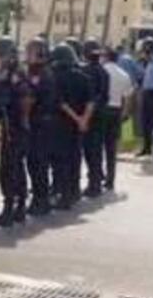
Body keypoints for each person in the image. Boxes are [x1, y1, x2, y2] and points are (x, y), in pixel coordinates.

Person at [0, 37, 32, 227]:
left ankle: (11, 208)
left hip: (14, 128)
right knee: (16, 168)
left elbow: (25, 101)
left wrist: (22, 121)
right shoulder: (8, 74)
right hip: (12, 127)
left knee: (9, 169)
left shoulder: (15, 76)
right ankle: (19, 207)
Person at [50, 43, 92, 210]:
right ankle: (74, 191)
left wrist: (76, 118)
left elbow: (60, 103)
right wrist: (83, 120)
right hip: (78, 126)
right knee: (75, 158)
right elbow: (90, 101)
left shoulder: (55, 78)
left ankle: (63, 195)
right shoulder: (83, 77)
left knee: (60, 161)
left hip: (60, 124)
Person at [26, 37, 57, 217]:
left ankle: (41, 200)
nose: (27, 55)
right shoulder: (37, 72)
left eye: (30, 51)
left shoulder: (41, 73)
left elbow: (32, 98)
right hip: (39, 123)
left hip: (41, 124)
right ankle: (39, 198)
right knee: (34, 163)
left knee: (38, 163)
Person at [101, 46, 134, 191]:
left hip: (102, 110)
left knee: (97, 146)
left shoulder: (102, 71)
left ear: (106, 57)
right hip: (116, 110)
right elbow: (127, 98)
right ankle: (110, 179)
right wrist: (125, 114)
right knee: (111, 147)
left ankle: (98, 175)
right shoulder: (124, 75)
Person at [81, 40, 110, 197]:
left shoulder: (86, 71)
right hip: (101, 113)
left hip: (90, 113)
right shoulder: (104, 72)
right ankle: (97, 179)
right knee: (97, 149)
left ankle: (94, 183)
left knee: (89, 150)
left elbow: (89, 96)